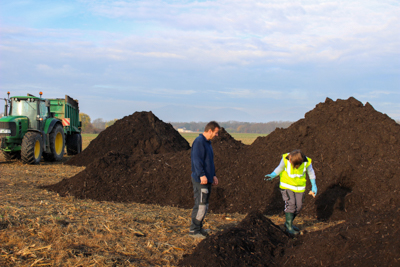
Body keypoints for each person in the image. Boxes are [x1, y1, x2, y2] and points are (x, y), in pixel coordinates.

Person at [265, 149, 317, 235]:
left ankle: (288, 223)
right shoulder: (286, 158)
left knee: (299, 207)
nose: (289, 160)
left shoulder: (306, 162)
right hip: (286, 186)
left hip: (299, 188)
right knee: (291, 204)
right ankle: (289, 227)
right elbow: (280, 168)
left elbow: (311, 173)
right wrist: (273, 174)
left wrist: (314, 185)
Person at [189, 121, 220, 239]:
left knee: (205, 205)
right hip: (200, 180)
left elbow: (209, 162)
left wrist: (213, 175)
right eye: (216, 133)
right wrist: (201, 174)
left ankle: (199, 227)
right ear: (210, 131)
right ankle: (194, 231)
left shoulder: (208, 143)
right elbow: (197, 160)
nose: (217, 135)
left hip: (207, 179)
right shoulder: (199, 142)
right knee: (200, 205)